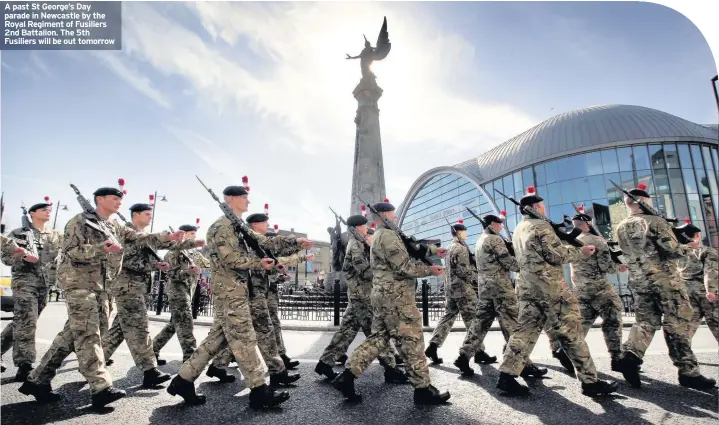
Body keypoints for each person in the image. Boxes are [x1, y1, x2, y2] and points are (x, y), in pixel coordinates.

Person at [19, 183, 184, 407]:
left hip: (102, 287)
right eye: (114, 198)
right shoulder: (80, 221)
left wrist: (168, 236)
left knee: (73, 335)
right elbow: (70, 251)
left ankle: (37, 379)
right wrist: (101, 249)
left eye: (120, 198)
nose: (119, 201)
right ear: (99, 199)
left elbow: (140, 239)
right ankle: (101, 388)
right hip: (79, 284)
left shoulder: (114, 226)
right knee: (89, 334)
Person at [166, 184, 312, 409]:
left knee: (216, 341)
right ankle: (259, 391)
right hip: (229, 292)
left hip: (237, 291)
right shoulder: (221, 227)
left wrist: (295, 243)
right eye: (244, 197)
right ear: (231, 199)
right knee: (244, 339)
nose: (248, 201)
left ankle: (183, 380)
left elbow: (264, 242)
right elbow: (230, 258)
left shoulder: (238, 226)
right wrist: (258, 264)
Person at [495, 186, 617, 396]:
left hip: (527, 287)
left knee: (524, 332)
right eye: (542, 206)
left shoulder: (519, 228)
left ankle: (506, 376)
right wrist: (582, 252)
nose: (544, 210)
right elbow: (556, 255)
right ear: (534, 207)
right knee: (572, 331)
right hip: (550, 287)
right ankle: (590, 382)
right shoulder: (541, 226)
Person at [332, 199, 451, 405]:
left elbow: (410, 247)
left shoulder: (382, 235)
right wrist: (429, 269)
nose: (395, 217)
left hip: (383, 296)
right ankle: (423, 389)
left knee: (377, 339)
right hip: (396, 298)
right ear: (383, 215)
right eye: (392, 214)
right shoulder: (386, 235)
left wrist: (432, 251)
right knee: (412, 340)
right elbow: (403, 266)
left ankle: (347, 377)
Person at [614, 183, 716, 391]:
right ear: (645, 202)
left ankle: (630, 357)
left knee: (645, 323)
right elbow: (673, 251)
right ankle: (688, 371)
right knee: (677, 323)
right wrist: (687, 246)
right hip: (665, 282)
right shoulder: (656, 221)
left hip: (640, 282)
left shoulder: (621, 226)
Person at [102, 204, 202, 388]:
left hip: (138, 287)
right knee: (140, 328)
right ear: (136, 215)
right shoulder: (127, 233)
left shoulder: (145, 237)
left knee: (120, 330)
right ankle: (149, 371)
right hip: (128, 285)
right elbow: (129, 259)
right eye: (147, 214)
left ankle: (96, 361)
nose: (150, 216)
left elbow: (164, 246)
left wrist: (160, 262)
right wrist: (154, 264)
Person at [454, 212, 546, 379]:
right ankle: (524, 365)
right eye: (499, 223)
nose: (501, 226)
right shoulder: (495, 239)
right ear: (491, 224)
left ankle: (463, 356)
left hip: (486, 289)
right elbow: (509, 263)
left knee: (479, 325)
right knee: (513, 325)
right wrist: (525, 264)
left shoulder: (480, 240)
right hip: (501, 289)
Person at [315, 214, 407, 384]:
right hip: (362, 298)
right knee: (376, 333)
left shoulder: (359, 243)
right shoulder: (355, 245)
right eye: (365, 226)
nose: (367, 228)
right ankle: (391, 368)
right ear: (358, 227)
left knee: (346, 332)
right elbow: (365, 272)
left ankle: (324, 363)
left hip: (359, 297)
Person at [0, 198, 62, 382]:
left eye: (49, 209)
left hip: (45, 284)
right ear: (32, 213)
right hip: (24, 281)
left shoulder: (55, 236)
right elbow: (5, 258)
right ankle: (25, 364)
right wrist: (21, 257)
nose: (47, 211)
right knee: (27, 321)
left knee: (24, 321)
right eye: (43, 209)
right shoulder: (17, 233)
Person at [425, 219, 494, 366]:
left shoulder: (450, 248)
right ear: (460, 232)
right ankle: (478, 352)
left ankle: (433, 346)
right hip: (463, 290)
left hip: (451, 289)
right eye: (465, 231)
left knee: (447, 319)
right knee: (474, 321)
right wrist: (477, 280)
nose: (467, 234)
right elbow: (464, 271)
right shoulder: (461, 248)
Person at [566, 208, 628, 370]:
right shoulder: (597, 241)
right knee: (613, 320)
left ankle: (569, 354)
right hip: (600, 290)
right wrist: (619, 267)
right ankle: (616, 357)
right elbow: (606, 266)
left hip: (580, 290)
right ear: (588, 223)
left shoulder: (572, 242)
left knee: (582, 325)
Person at [675, 221, 718, 342]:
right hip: (704, 292)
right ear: (697, 234)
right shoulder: (706, 251)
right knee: (716, 322)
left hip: (686, 292)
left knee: (688, 325)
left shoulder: (678, 253)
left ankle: (683, 356)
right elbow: (710, 271)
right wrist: (711, 290)